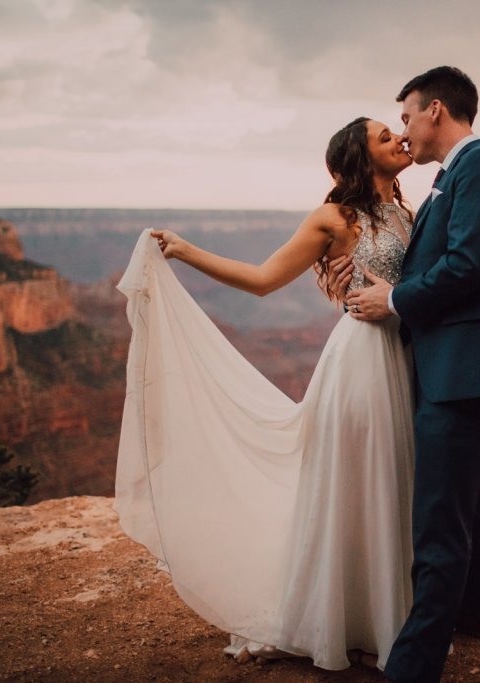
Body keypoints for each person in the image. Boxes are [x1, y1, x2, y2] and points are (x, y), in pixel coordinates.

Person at [114, 117, 417, 672]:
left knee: (394, 480)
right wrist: (185, 250)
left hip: (404, 357)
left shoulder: (405, 209)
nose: (399, 139)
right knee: (356, 484)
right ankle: (333, 619)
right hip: (362, 362)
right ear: (359, 158)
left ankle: (383, 616)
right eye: (384, 137)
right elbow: (261, 279)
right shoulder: (332, 218)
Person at [341, 66, 480, 683]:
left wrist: (392, 302)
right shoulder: (458, 176)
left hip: (462, 372)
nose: (405, 130)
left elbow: (466, 266)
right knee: (474, 497)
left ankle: (414, 665)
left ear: (437, 112)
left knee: (439, 520)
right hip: (463, 368)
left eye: (407, 116)